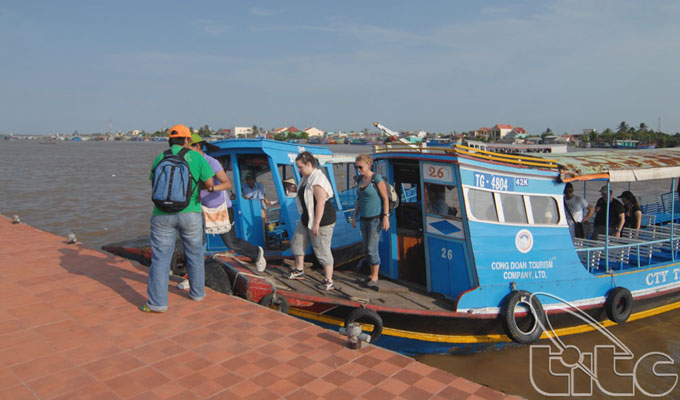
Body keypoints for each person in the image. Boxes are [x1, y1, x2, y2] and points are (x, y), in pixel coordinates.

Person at [175, 134, 266, 292]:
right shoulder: (189, 163)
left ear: (197, 147)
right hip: (199, 208)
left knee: (230, 242)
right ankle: (193, 278)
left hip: (219, 208)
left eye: (187, 148)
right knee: (193, 241)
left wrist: (209, 188)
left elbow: (226, 183)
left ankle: (257, 253)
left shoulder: (212, 162)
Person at [141, 124, 215, 313]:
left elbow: (154, 183)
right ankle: (197, 293)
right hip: (190, 213)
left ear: (169, 140)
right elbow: (209, 183)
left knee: (160, 258)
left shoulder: (160, 157)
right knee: (195, 254)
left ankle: (157, 304)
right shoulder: (197, 157)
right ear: (188, 140)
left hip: (161, 214)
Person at [288, 151, 336, 290]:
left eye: (300, 167)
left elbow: (321, 203)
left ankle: (329, 280)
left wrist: (316, 224)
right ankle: (299, 269)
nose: (298, 170)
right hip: (307, 217)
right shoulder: (306, 177)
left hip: (322, 219)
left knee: (321, 249)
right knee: (298, 242)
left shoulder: (317, 180)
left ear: (309, 164)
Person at [351, 154, 390, 288]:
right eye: (356, 167)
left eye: (360, 167)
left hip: (375, 219)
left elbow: (385, 198)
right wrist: (355, 216)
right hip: (363, 219)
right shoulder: (360, 179)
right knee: (366, 249)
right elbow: (359, 199)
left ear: (368, 164)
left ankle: (375, 276)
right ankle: (370, 274)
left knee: (372, 248)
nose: (358, 169)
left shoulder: (376, 179)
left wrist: (385, 216)